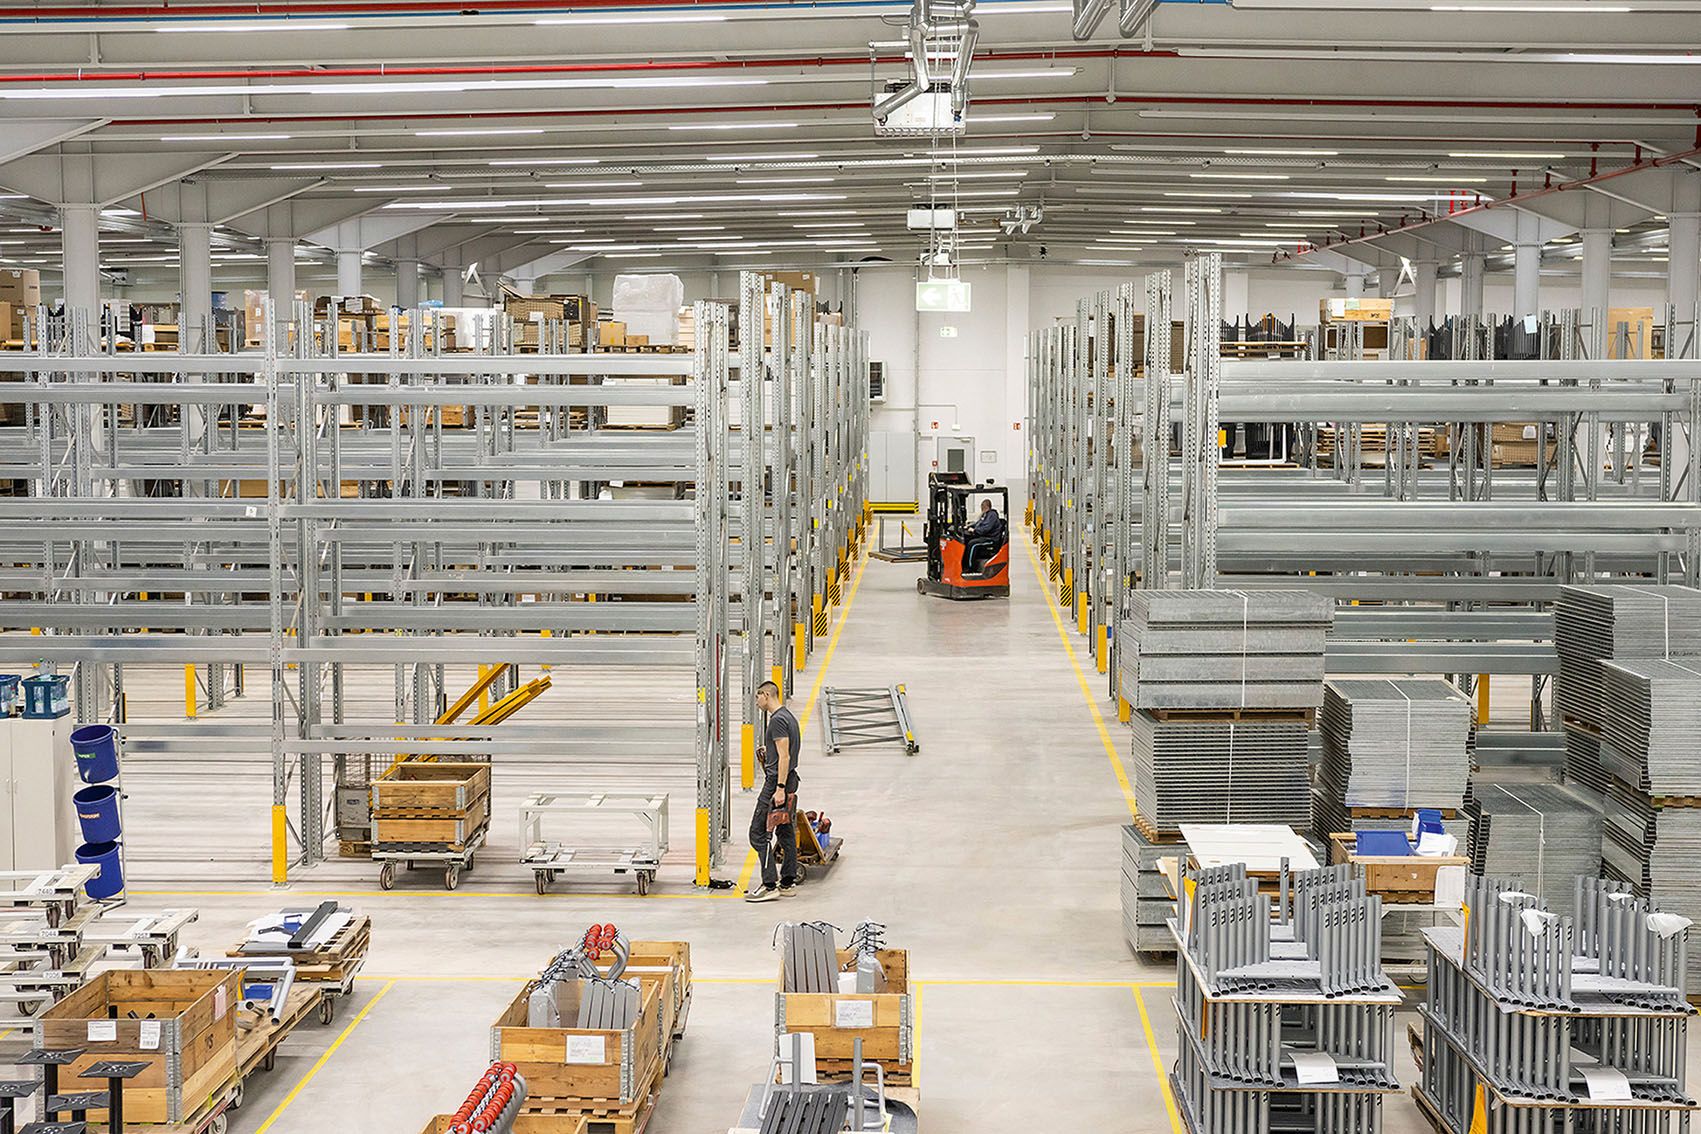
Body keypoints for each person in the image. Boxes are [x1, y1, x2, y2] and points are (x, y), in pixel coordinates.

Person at [746, 679, 801, 902]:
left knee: (758, 834)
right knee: (785, 831)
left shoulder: (777, 721)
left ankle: (769, 885)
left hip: (777, 783)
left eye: (758, 697)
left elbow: (785, 755)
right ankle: (788, 881)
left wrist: (778, 787)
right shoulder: (788, 716)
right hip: (790, 779)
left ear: (766, 695)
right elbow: (784, 754)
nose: (757, 702)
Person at [963, 498, 1003, 573]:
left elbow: (986, 528)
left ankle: (970, 567)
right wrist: (969, 526)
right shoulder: (985, 515)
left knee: (972, 544)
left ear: (987, 506)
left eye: (983, 506)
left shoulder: (992, 515)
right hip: (985, 536)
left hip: (991, 539)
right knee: (966, 540)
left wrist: (975, 530)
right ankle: (964, 562)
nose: (981, 508)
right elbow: (978, 523)